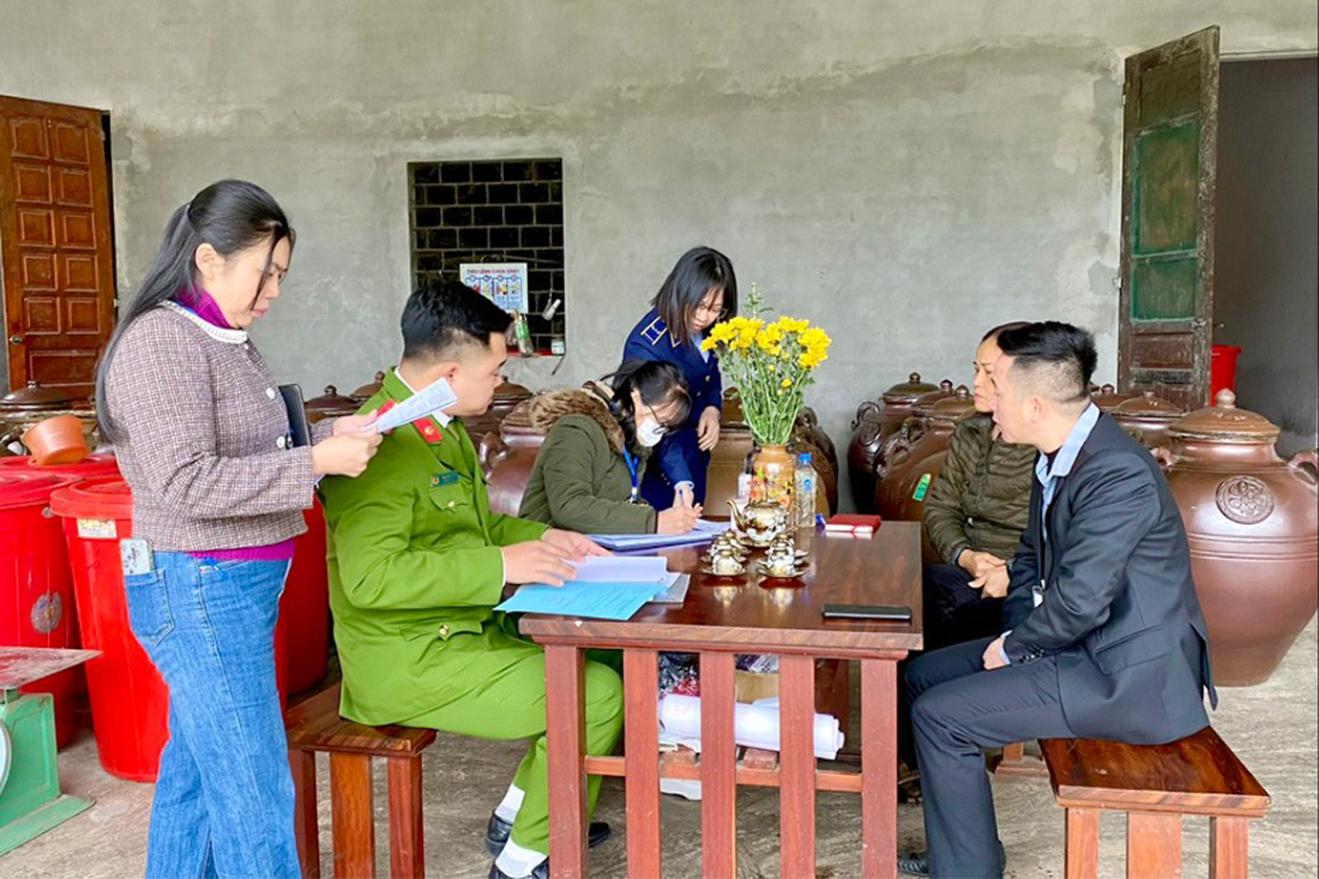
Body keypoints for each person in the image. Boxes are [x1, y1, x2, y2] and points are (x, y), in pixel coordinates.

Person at [98, 179, 382, 878]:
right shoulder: (161, 342)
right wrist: (314, 462)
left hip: (225, 585)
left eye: (281, 274)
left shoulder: (219, 338)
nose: (274, 291)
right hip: (200, 585)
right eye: (266, 272)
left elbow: (247, 448)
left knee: (199, 780)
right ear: (208, 259)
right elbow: (185, 481)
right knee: (253, 791)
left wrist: (327, 436)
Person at [319, 279, 622, 879]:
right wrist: (503, 566)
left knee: (603, 655)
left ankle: (523, 815)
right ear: (451, 373)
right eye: (495, 371)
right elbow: (372, 579)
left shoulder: (440, 424)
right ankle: (525, 861)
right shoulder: (378, 444)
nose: (500, 383)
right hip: (406, 658)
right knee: (595, 694)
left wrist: (544, 538)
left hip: (460, 630)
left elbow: (475, 529)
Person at [899, 321, 1216, 878]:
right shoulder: (1058, 455)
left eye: (997, 389)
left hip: (1129, 675)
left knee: (941, 718)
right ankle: (968, 853)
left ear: (1036, 405)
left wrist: (1016, 649)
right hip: (1081, 646)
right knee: (922, 676)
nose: (987, 402)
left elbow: (1081, 600)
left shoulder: (1116, 472)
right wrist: (1018, 635)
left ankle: (968, 871)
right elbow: (1029, 560)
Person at [920, 321, 1036, 650]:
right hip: (971, 568)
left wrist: (1012, 571)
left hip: (1023, 577)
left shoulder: (1047, 439)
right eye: (976, 370)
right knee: (912, 585)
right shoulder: (971, 431)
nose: (976, 383)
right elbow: (941, 506)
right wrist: (965, 555)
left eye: (989, 374)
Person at [519, 359, 702, 534]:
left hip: (595, 547)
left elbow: (620, 506)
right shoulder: (575, 428)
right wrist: (653, 522)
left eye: (667, 426)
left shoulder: (630, 443)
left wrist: (673, 519)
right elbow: (569, 506)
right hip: (548, 546)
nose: (659, 430)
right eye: (659, 420)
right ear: (635, 396)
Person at [622, 245, 737, 509]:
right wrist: (680, 480)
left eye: (715, 309)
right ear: (680, 291)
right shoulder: (647, 346)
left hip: (694, 450)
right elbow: (653, 421)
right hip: (661, 464)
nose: (704, 317)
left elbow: (709, 373)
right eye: (699, 305)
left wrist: (712, 408)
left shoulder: (708, 329)